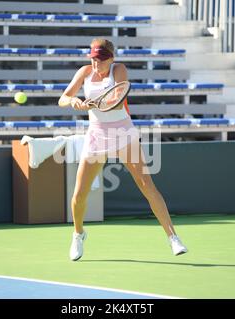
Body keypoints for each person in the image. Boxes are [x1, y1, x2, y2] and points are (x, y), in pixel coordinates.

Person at [58, 38, 188, 261]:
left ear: (111, 58)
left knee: (147, 185)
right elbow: (63, 98)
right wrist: (74, 102)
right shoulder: (84, 72)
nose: (97, 63)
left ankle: (173, 238)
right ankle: (78, 234)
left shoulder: (119, 70)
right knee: (79, 194)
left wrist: (93, 102)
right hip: (96, 134)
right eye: (94, 59)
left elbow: (117, 101)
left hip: (123, 132)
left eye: (101, 59)